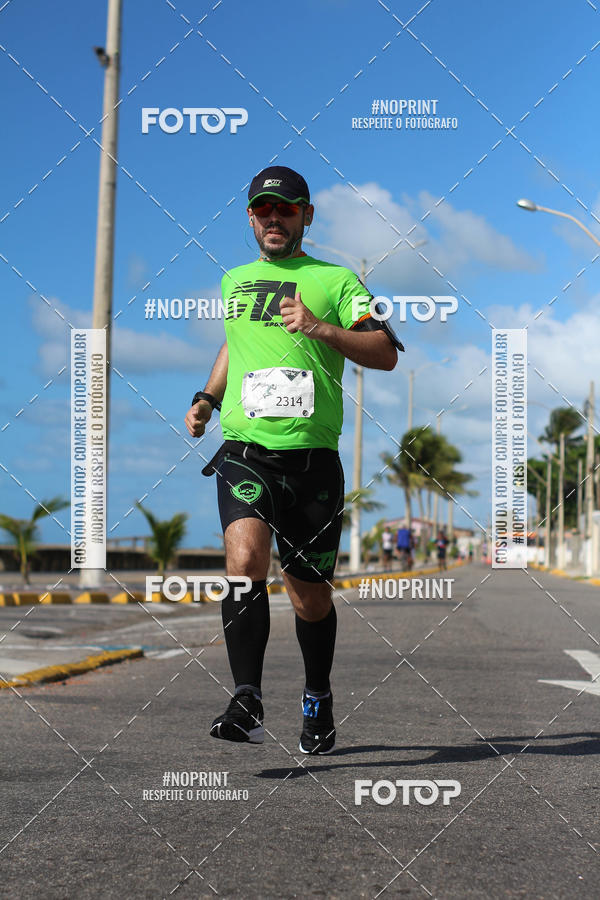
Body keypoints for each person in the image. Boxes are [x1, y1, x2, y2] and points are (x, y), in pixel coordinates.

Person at [184, 166, 403, 755]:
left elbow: (384, 353)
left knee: (310, 598)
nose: (273, 218)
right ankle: (247, 698)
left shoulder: (338, 280)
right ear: (250, 217)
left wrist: (319, 327)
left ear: (307, 215)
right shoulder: (235, 280)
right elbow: (236, 342)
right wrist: (208, 395)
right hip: (247, 452)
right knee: (245, 558)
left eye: (286, 209)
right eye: (263, 209)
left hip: (312, 464)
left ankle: (317, 694)